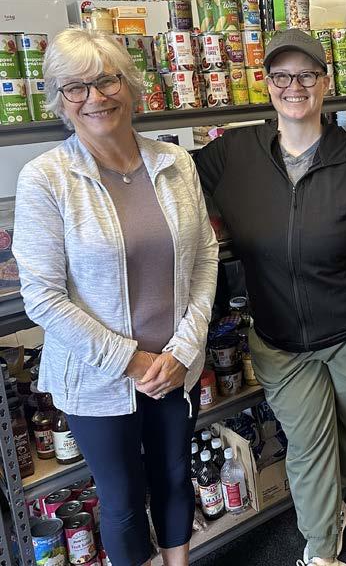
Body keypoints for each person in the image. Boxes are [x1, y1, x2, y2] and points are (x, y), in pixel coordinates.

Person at [194, 29, 346, 566]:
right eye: (281, 76)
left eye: (306, 74)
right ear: (266, 84)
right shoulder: (235, 152)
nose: (294, 86)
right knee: (310, 446)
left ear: (325, 83)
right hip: (280, 341)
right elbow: (171, 175)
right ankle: (321, 551)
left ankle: (332, 505)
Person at [12, 28, 218, 566]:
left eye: (107, 81)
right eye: (75, 88)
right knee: (123, 500)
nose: (95, 98)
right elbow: (43, 297)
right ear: (60, 101)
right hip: (96, 378)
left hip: (175, 365)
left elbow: (205, 257)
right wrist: (132, 361)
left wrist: (184, 349)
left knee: (174, 476)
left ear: (131, 86)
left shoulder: (175, 163)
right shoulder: (46, 179)